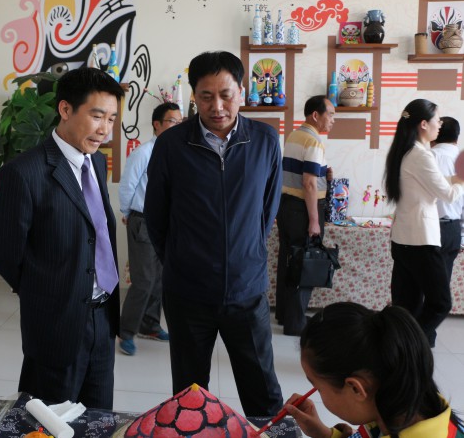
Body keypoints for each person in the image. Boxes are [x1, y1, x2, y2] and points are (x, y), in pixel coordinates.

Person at [145, 51, 284, 416]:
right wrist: (182, 260)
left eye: (226, 94)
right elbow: (156, 216)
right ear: (194, 96)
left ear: (242, 92)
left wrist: (245, 255)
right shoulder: (172, 144)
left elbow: (267, 211)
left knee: (264, 393)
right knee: (189, 398)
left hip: (247, 291)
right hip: (188, 295)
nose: (217, 106)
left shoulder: (265, 141)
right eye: (206, 96)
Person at [0, 67, 124, 409]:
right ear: (65, 109)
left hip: (103, 317)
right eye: (97, 116)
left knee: (97, 418)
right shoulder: (23, 173)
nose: (105, 129)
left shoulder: (95, 164)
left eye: (111, 118)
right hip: (56, 323)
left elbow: (96, 232)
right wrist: (45, 288)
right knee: (47, 421)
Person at [285, 302, 464, 438]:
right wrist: (323, 434)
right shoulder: (403, 404)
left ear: (356, 389)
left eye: (317, 387)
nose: (314, 393)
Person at [384, 99, 464, 347]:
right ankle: (410, 345)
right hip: (420, 241)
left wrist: (456, 177)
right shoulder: (420, 155)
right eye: (436, 120)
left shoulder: (407, 151)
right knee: (440, 303)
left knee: (406, 306)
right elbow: (448, 194)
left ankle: (397, 351)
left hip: (404, 240)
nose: (439, 125)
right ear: (423, 124)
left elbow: (438, 182)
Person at [118, 102, 181, 356]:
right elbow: (127, 185)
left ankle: (150, 325)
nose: (177, 126)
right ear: (157, 124)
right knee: (143, 281)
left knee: (160, 279)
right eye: (172, 121)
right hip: (142, 220)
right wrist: (127, 213)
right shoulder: (144, 152)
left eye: (180, 122)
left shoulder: (176, 153)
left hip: (166, 224)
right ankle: (126, 331)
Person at [275, 96, 335, 336]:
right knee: (305, 261)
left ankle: (285, 314)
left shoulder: (294, 136)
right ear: (315, 115)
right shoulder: (313, 141)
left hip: (287, 206)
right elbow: (308, 183)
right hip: (303, 209)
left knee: (288, 259)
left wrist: (324, 176)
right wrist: (314, 220)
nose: (333, 120)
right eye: (330, 114)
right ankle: (296, 323)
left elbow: (303, 175)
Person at [431, 116, 464, 283]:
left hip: (429, 227)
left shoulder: (427, 157)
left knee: (419, 286)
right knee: (441, 286)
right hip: (453, 229)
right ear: (457, 137)